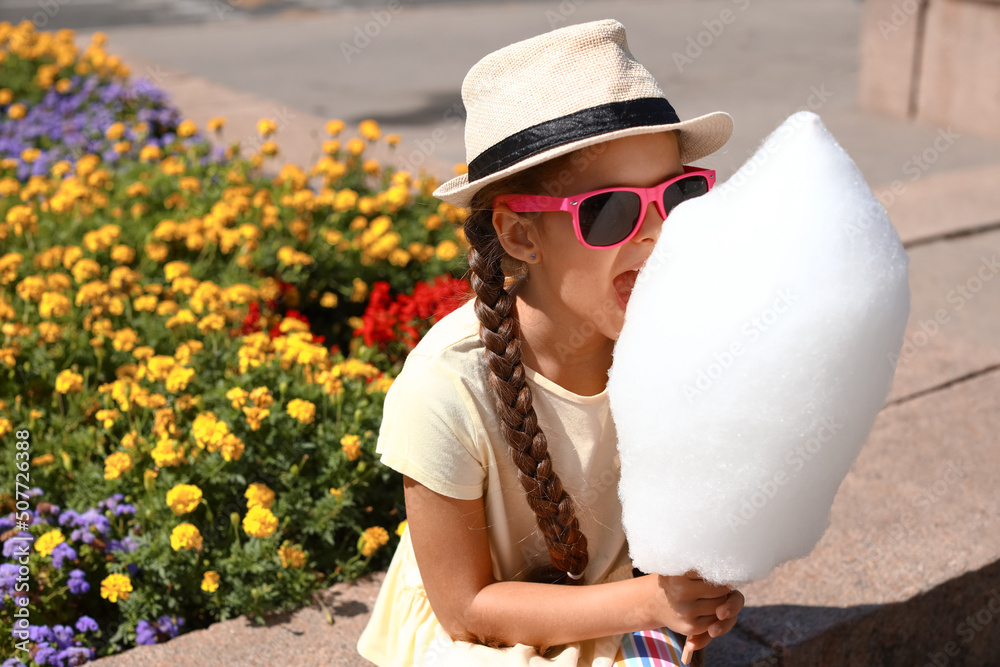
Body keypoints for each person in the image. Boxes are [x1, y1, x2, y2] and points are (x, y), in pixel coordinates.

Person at [356, 18, 745, 667]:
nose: (654, 234)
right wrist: (649, 602)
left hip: (613, 599)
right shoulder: (443, 387)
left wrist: (696, 591)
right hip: (480, 636)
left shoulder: (668, 345)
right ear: (520, 234)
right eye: (613, 209)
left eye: (676, 196)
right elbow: (464, 609)